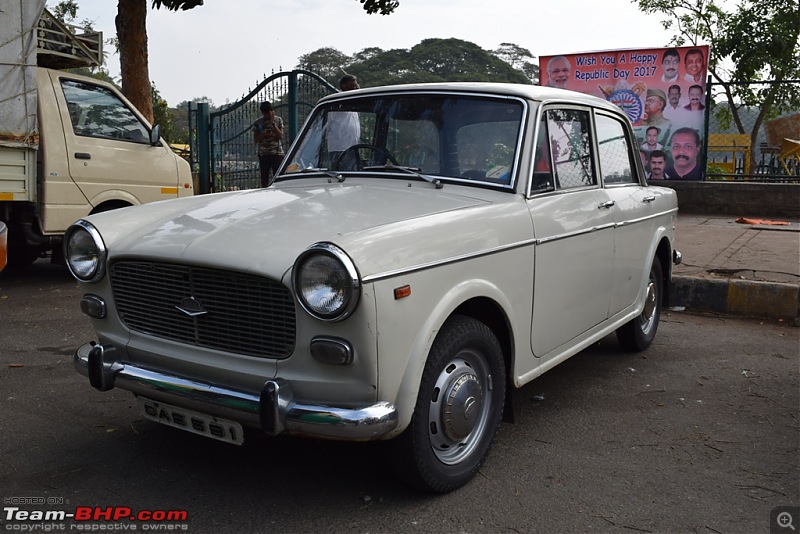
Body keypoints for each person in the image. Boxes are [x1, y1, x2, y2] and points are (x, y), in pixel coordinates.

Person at [326, 74, 361, 168]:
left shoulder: (353, 100)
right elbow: (328, 125)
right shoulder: (338, 101)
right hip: (339, 147)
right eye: (353, 86)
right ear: (344, 86)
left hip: (352, 145)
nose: (356, 87)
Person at [253, 101, 284, 187]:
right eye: (265, 113)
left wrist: (273, 124)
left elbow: (281, 135)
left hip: (277, 153)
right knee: (264, 179)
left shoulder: (278, 120)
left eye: (268, 113)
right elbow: (255, 140)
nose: (266, 115)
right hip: (264, 154)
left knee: (278, 178)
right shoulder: (258, 122)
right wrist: (263, 134)